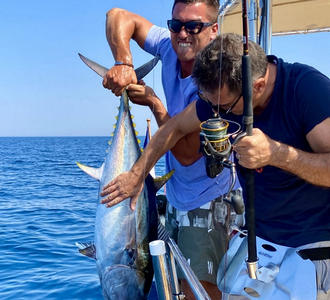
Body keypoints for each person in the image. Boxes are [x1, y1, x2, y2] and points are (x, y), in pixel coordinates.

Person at [101, 33, 330, 299]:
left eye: (222, 107)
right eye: (208, 103)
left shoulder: (307, 90)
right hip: (262, 241)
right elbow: (173, 130)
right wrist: (136, 174)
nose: (215, 114)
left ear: (257, 86)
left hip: (313, 248)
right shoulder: (219, 97)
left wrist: (276, 154)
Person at [102, 2, 242, 299]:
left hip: (208, 200)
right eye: (176, 24)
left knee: (199, 290)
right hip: (177, 194)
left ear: (214, 30)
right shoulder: (169, 45)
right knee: (173, 285)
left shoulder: (216, 81)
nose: (183, 34)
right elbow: (117, 16)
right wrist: (124, 63)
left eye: (194, 27)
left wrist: (154, 104)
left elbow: (188, 152)